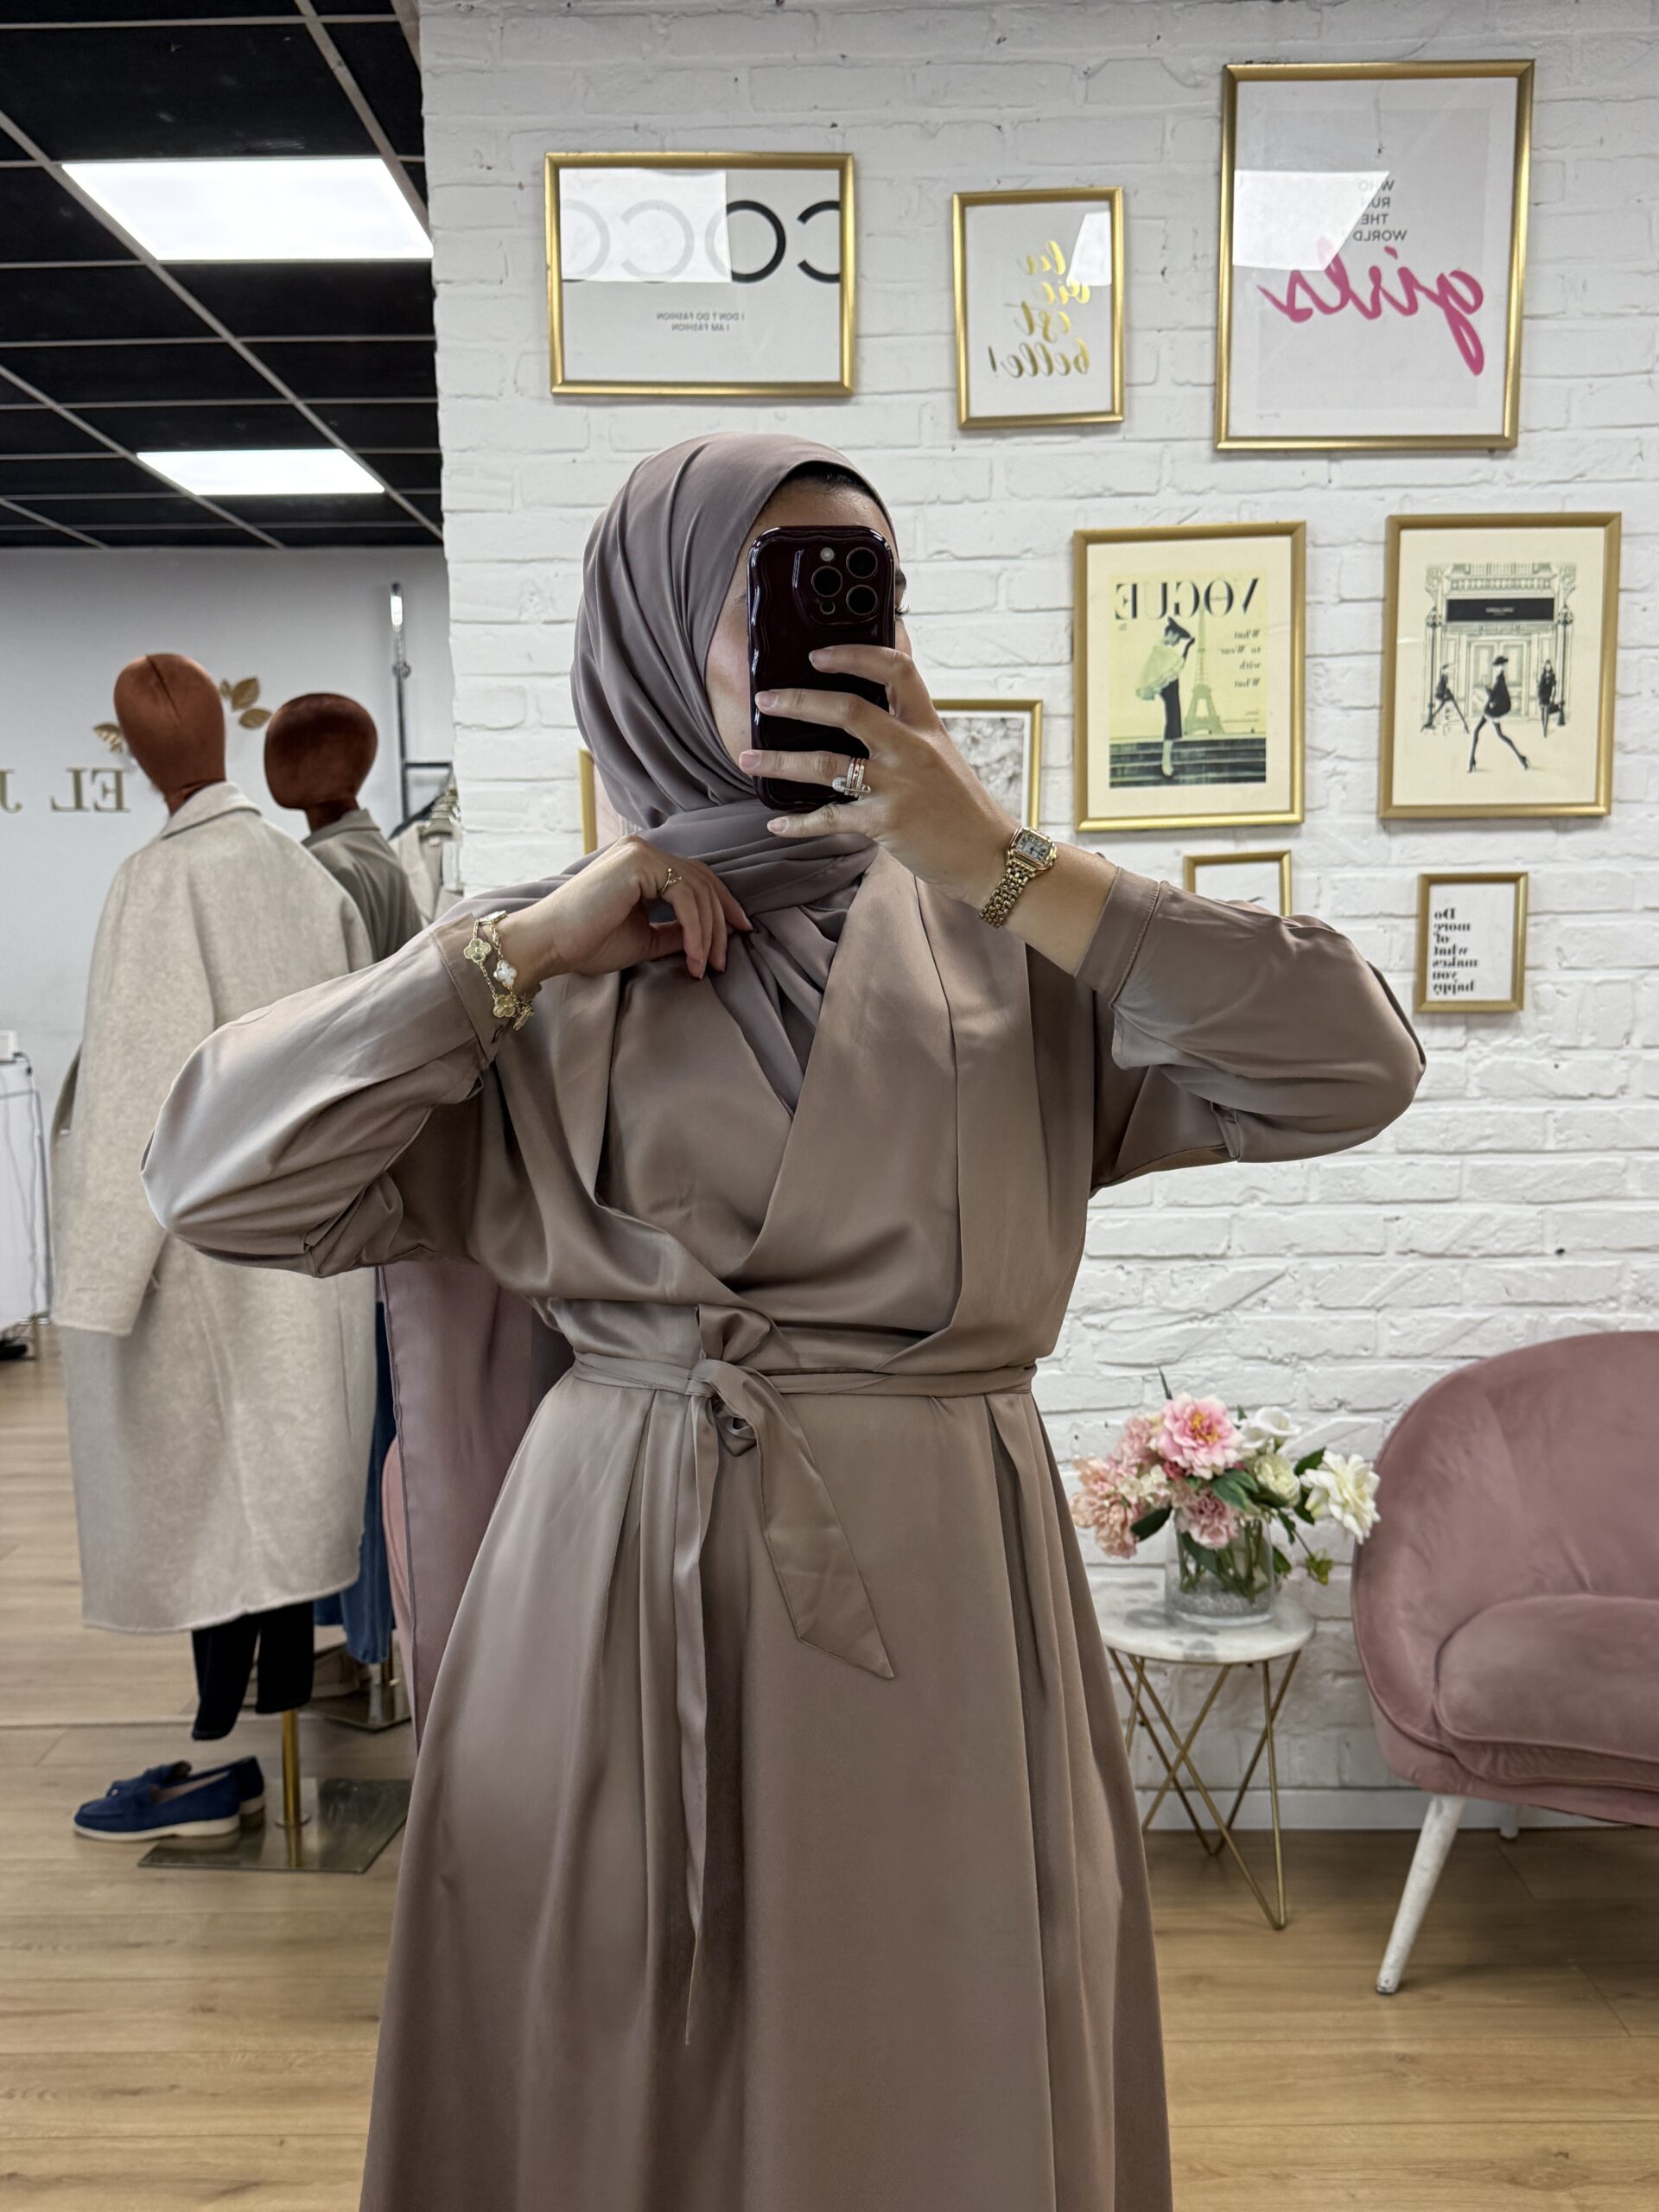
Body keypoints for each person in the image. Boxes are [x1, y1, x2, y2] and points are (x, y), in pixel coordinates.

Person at [143, 435, 1425, 2212]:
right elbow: (214, 1182)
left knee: (934, 2052)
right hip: (613, 1587)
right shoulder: (538, 965)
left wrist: (1006, 858)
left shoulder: (1012, 943)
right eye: (772, 596)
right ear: (653, 636)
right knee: (613, 2050)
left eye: (864, 592)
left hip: (941, 1593)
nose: (830, 640)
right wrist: (513, 952)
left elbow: (1355, 1065)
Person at [54, 653, 375, 1841]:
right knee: (285, 1499)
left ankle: (220, 1762)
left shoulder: (159, 884)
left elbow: (135, 1094)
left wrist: (97, 1286)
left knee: (214, 1508)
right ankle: (268, 1738)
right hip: (313, 1245)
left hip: (201, 1253)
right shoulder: (306, 880)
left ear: (145, 759)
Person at [1135, 613, 1196, 777]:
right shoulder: (1160, 649)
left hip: (1170, 686)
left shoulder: (1162, 649)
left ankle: (1166, 762)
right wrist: (1187, 648)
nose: (1176, 642)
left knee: (1174, 721)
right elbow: (1176, 664)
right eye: (1177, 638)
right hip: (1169, 687)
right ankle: (1165, 763)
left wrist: (1187, 648)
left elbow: (1174, 665)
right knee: (1173, 720)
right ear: (1171, 634)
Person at [1470, 654, 1529, 772]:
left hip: (1494, 711)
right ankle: (1521, 758)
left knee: (1478, 731)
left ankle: (1471, 760)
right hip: (1495, 710)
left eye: (1498, 666)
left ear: (1502, 667)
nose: (1496, 668)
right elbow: (1495, 696)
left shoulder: (1500, 680)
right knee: (1500, 735)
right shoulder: (1500, 679)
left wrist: (1486, 686)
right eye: (1496, 666)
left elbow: (1493, 697)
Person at [1426, 664, 1468, 734]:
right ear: (1444, 670)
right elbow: (1440, 688)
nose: (1449, 671)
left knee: (1443, 707)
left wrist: (1446, 691)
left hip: (1443, 695)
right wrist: (1445, 692)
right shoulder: (1443, 678)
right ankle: (1435, 718)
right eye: (1447, 670)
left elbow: (1442, 687)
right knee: (1445, 707)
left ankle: (1434, 718)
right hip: (1441, 695)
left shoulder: (1445, 677)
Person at [1537, 658, 1558, 739]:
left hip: (1548, 695)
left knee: (1547, 712)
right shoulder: (1542, 675)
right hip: (1541, 695)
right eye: (1546, 665)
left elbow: (1554, 686)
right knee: (1542, 712)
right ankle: (1543, 727)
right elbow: (1539, 685)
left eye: (1549, 665)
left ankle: (1545, 729)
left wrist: (1553, 696)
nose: (1548, 667)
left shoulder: (1552, 675)